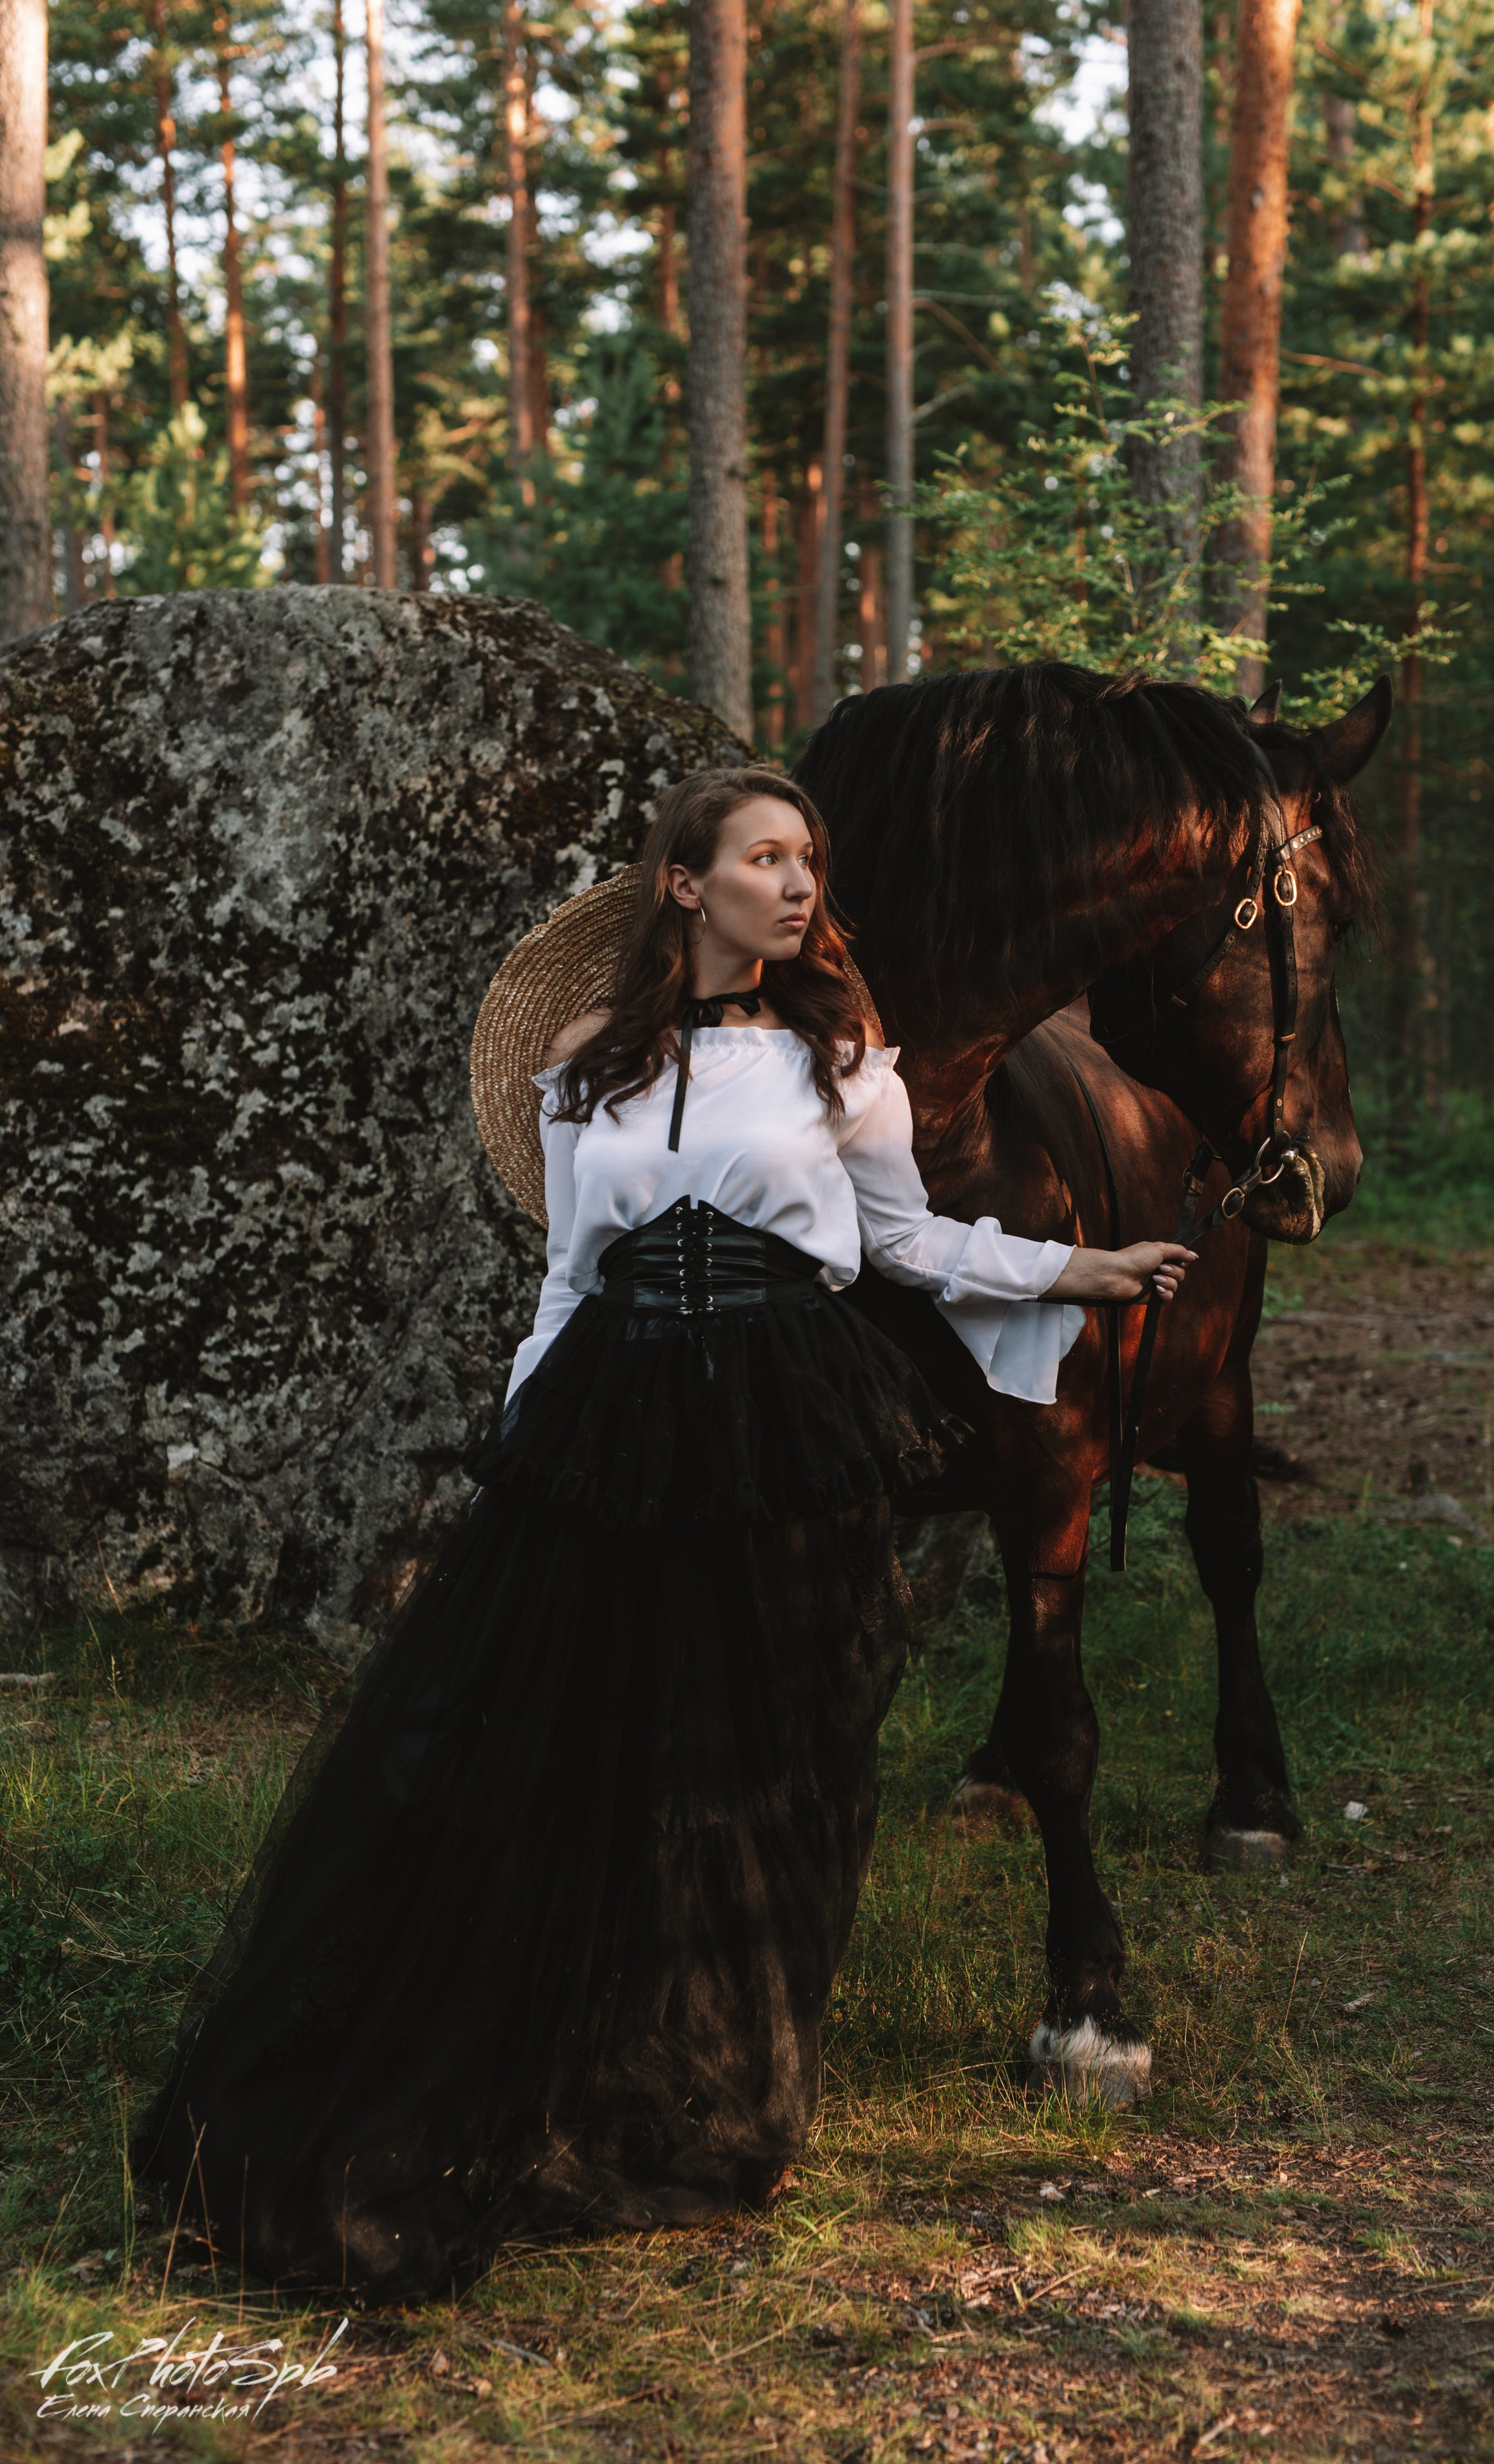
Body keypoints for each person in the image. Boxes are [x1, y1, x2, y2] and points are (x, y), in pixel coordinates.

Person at [131, 766, 1194, 2305]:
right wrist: (518, 1439)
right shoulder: (587, 1065)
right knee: (583, 1743)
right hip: (612, 1417)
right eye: (765, 857)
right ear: (685, 887)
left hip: (782, 1422)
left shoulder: (844, 1064)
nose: (799, 882)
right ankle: (554, 2063)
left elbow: (901, 1244)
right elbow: (569, 1272)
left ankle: (722, 2102)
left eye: (809, 860)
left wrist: (1076, 1268)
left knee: (760, 1757)